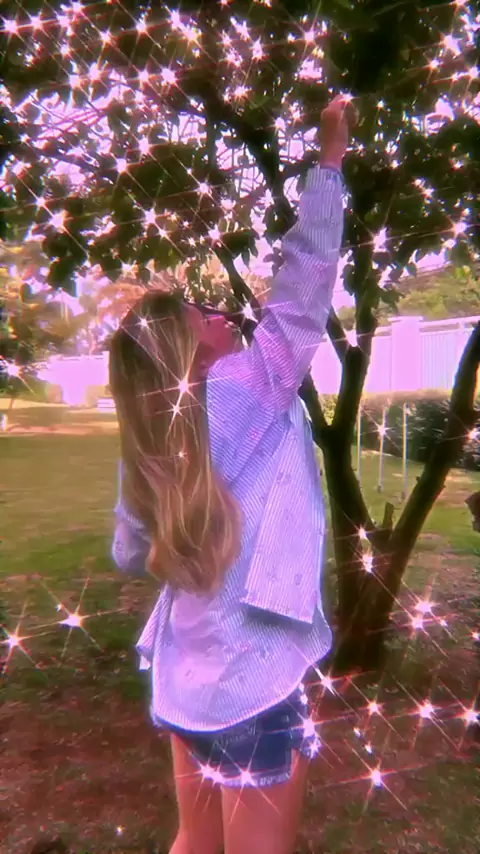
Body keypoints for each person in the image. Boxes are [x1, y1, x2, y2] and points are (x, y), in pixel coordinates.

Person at [109, 94, 357, 854]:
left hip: (185, 680)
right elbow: (304, 292)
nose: (220, 315)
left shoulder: (151, 438)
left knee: (195, 840)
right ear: (191, 355)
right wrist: (329, 164)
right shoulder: (248, 387)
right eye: (202, 316)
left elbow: (129, 551)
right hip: (253, 680)